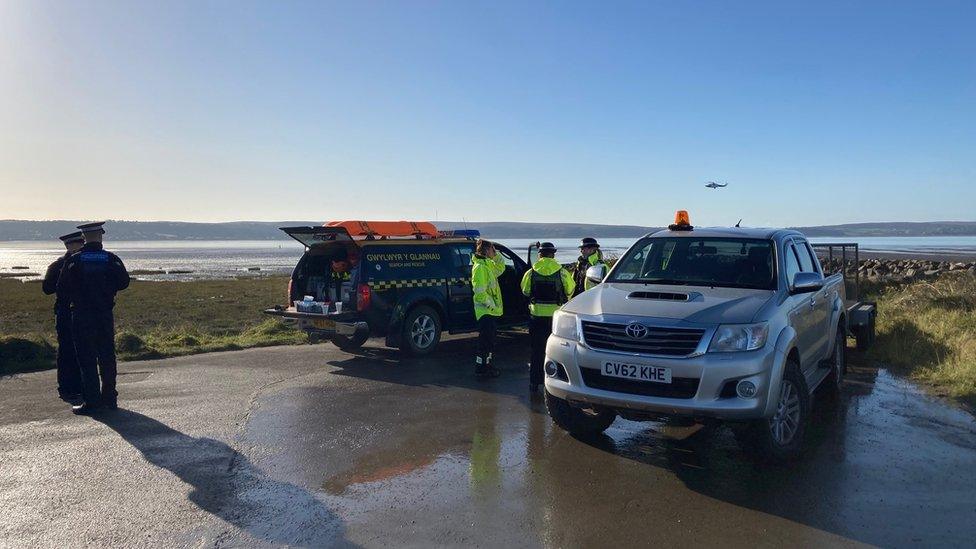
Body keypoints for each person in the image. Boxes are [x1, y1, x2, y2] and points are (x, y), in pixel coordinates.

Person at [57, 222, 130, 415]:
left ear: (83, 237)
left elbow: (62, 287)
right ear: (101, 236)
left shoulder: (74, 260)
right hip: (104, 314)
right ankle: (110, 398)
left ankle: (92, 400)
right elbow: (124, 282)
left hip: (81, 315)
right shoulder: (111, 259)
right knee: (107, 356)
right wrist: (107, 289)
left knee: (86, 358)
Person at [520, 242, 575, 393]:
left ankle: (534, 382)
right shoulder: (562, 272)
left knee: (536, 350)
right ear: (553, 254)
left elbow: (525, 291)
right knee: (555, 351)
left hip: (536, 316)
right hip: (556, 319)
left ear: (540, 255)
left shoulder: (531, 272)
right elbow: (570, 289)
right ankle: (553, 382)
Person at [42, 231, 86, 404]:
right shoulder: (59, 265)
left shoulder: (66, 263)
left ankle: (79, 386)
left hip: (77, 311)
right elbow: (47, 288)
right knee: (67, 350)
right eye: (77, 244)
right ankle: (68, 387)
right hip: (66, 311)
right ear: (69, 246)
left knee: (80, 349)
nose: (80, 247)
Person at [471, 239, 506, 378]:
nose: (494, 252)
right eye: (492, 250)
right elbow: (479, 293)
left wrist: (496, 255)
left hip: (490, 311)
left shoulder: (487, 265)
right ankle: (482, 367)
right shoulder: (480, 267)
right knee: (485, 342)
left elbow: (501, 267)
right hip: (485, 311)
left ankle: (486, 365)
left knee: (489, 341)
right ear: (486, 250)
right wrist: (491, 305)